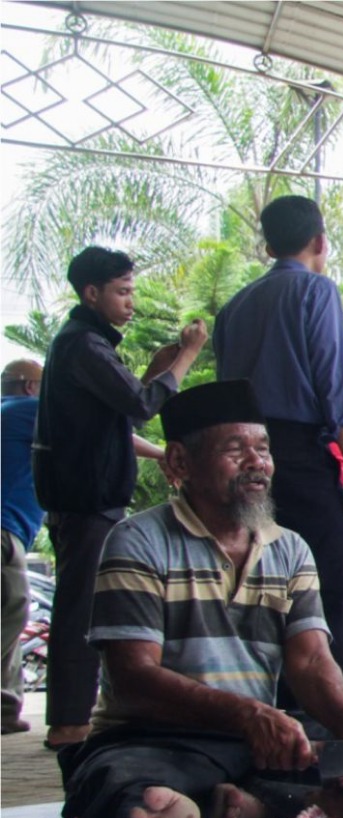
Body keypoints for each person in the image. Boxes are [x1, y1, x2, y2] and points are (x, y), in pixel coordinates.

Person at [56, 379, 343, 818]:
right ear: (179, 463)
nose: (257, 463)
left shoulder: (290, 548)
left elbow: (309, 660)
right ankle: (255, 810)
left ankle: (244, 807)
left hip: (257, 744)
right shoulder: (137, 540)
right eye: (235, 449)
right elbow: (133, 677)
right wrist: (249, 715)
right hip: (160, 739)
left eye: (263, 449)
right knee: (123, 787)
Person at [34, 247, 208, 750]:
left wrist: (156, 376)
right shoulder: (84, 344)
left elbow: (119, 417)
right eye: (123, 291)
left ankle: (84, 715)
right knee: (80, 612)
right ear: (92, 293)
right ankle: (69, 723)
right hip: (86, 498)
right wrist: (187, 356)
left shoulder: (83, 343)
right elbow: (140, 404)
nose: (131, 302)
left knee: (89, 609)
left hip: (89, 497)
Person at [213, 196, 343, 710]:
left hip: (243, 456)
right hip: (302, 454)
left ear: (268, 246)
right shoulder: (316, 291)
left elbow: (226, 386)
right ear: (320, 242)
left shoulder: (234, 307)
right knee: (334, 581)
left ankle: (275, 704)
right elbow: (334, 386)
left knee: (264, 580)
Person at [2, 359, 45, 734]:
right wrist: (164, 454)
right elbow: (103, 431)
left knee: (10, 617)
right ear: (31, 387)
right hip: (3, 530)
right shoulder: (29, 410)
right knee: (11, 612)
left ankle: (5, 709)